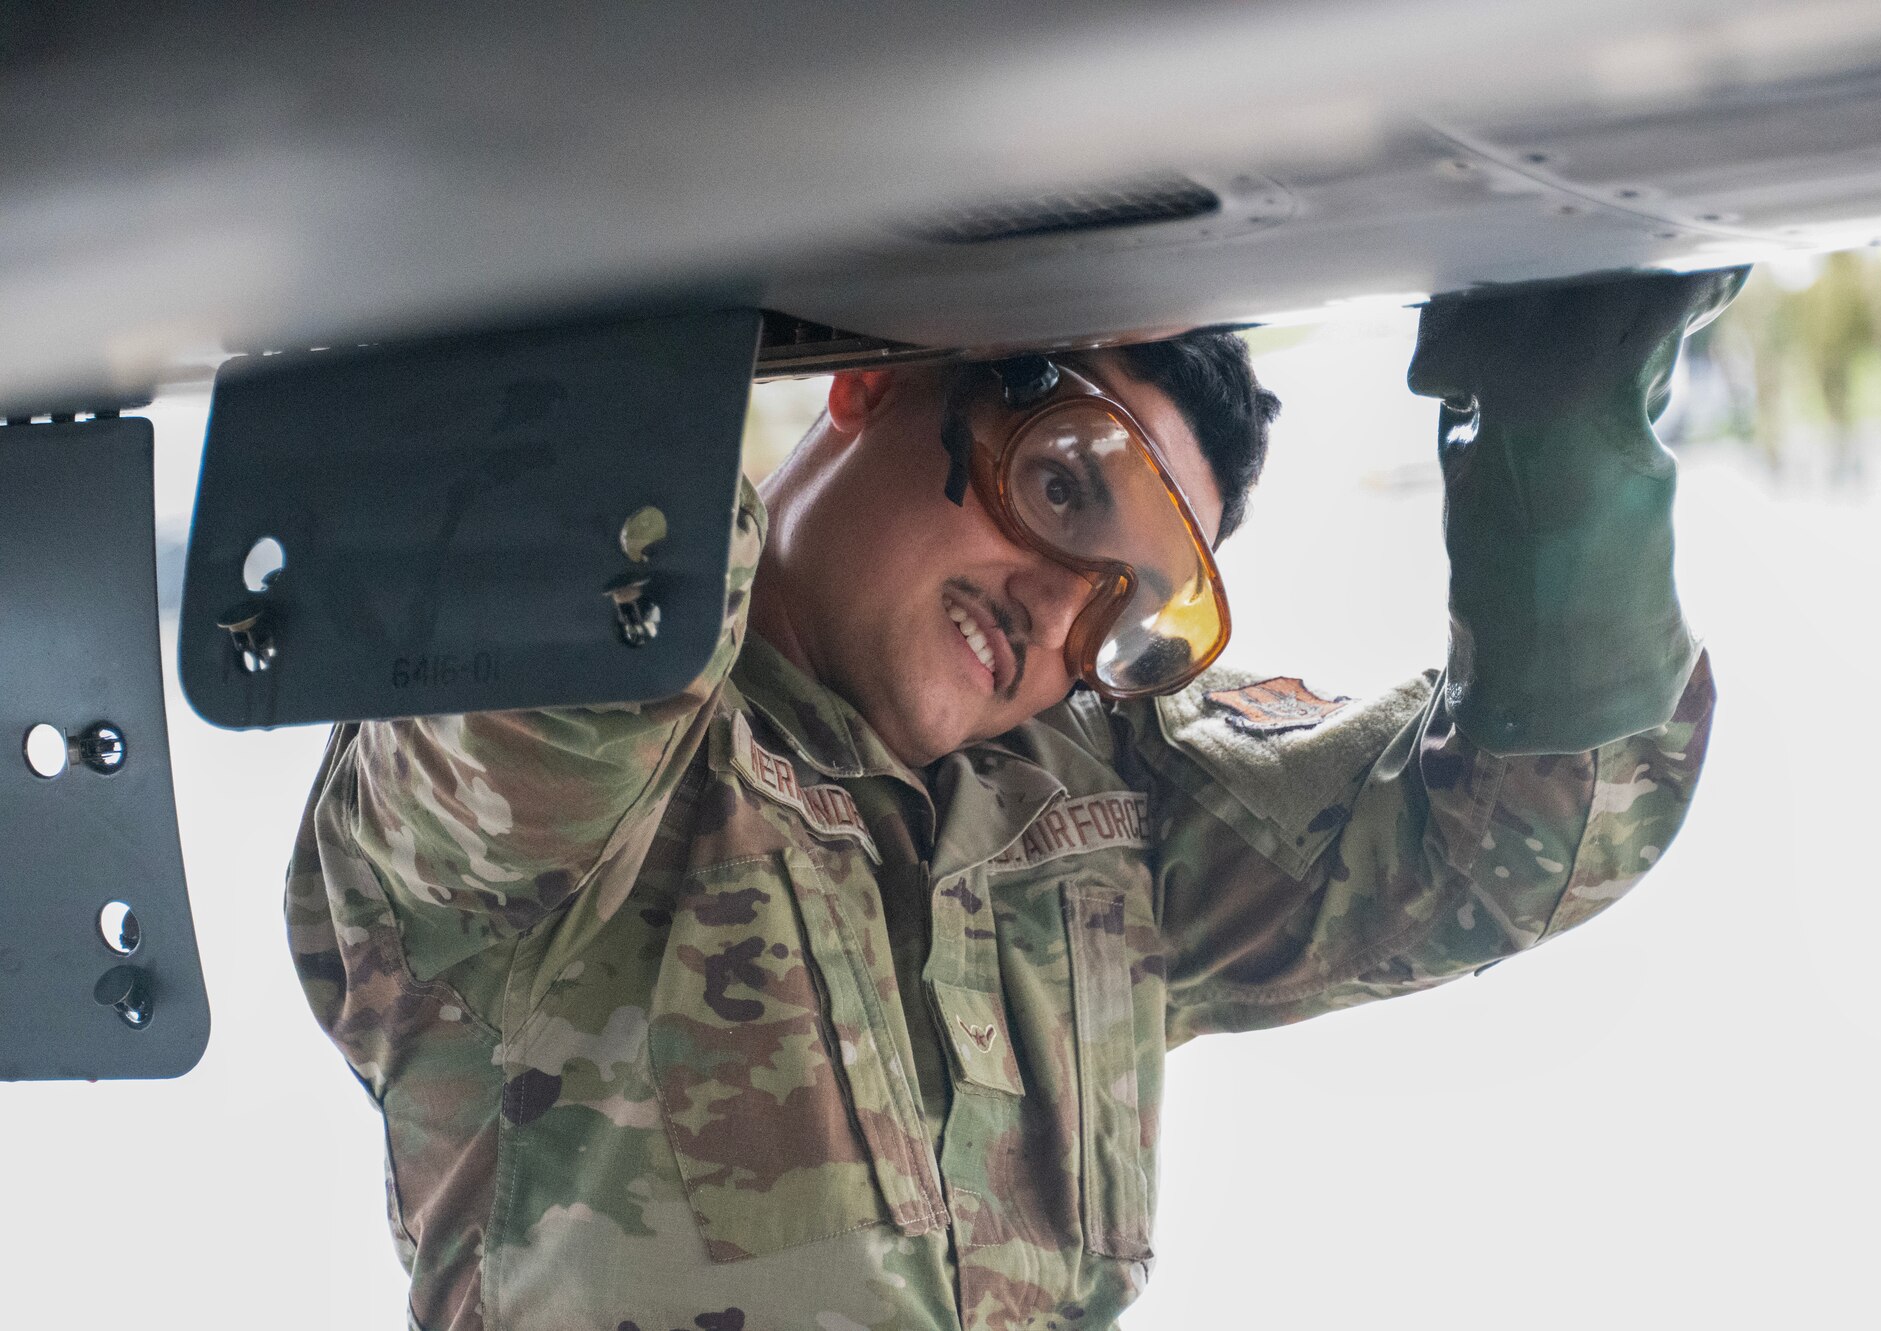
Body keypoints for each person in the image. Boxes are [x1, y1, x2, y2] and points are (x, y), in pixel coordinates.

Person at [287, 269, 1739, 1331]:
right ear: (872, 383)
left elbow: (1544, 829)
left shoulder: (1099, 817)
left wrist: (1561, 440)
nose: (1058, 618)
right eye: (1066, 492)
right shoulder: (565, 802)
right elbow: (575, 620)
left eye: (1132, 615)